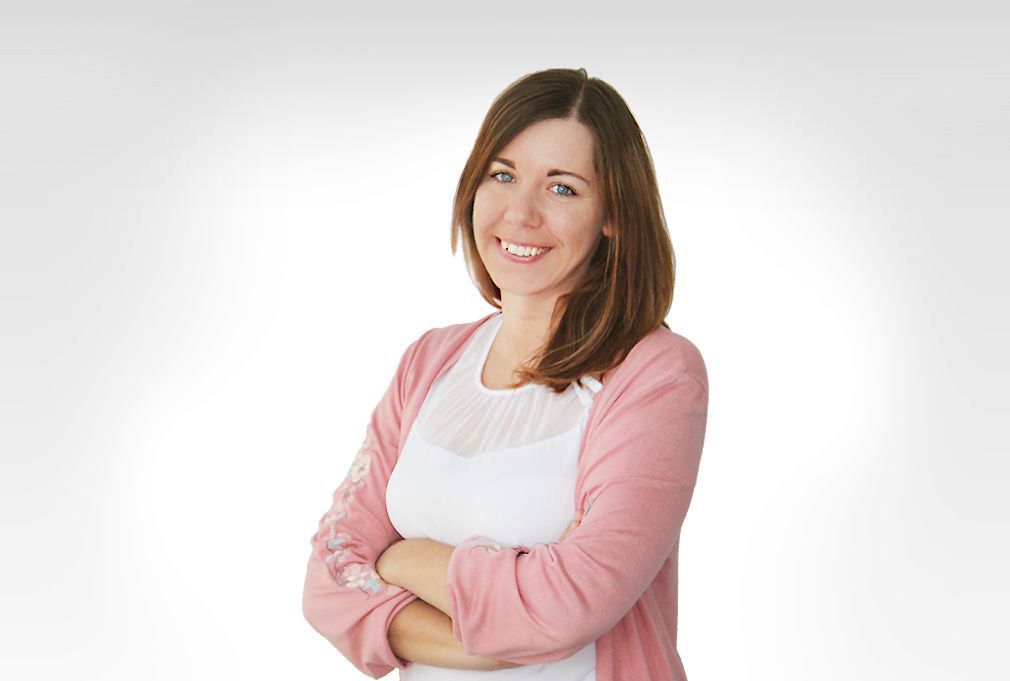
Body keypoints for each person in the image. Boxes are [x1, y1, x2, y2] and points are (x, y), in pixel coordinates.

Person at [302, 67, 710, 681]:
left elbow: (567, 608)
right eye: (503, 175)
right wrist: (497, 639)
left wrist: (404, 559)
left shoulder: (655, 374)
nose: (521, 213)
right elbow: (329, 581)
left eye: (562, 188)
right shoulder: (429, 361)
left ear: (614, 215)